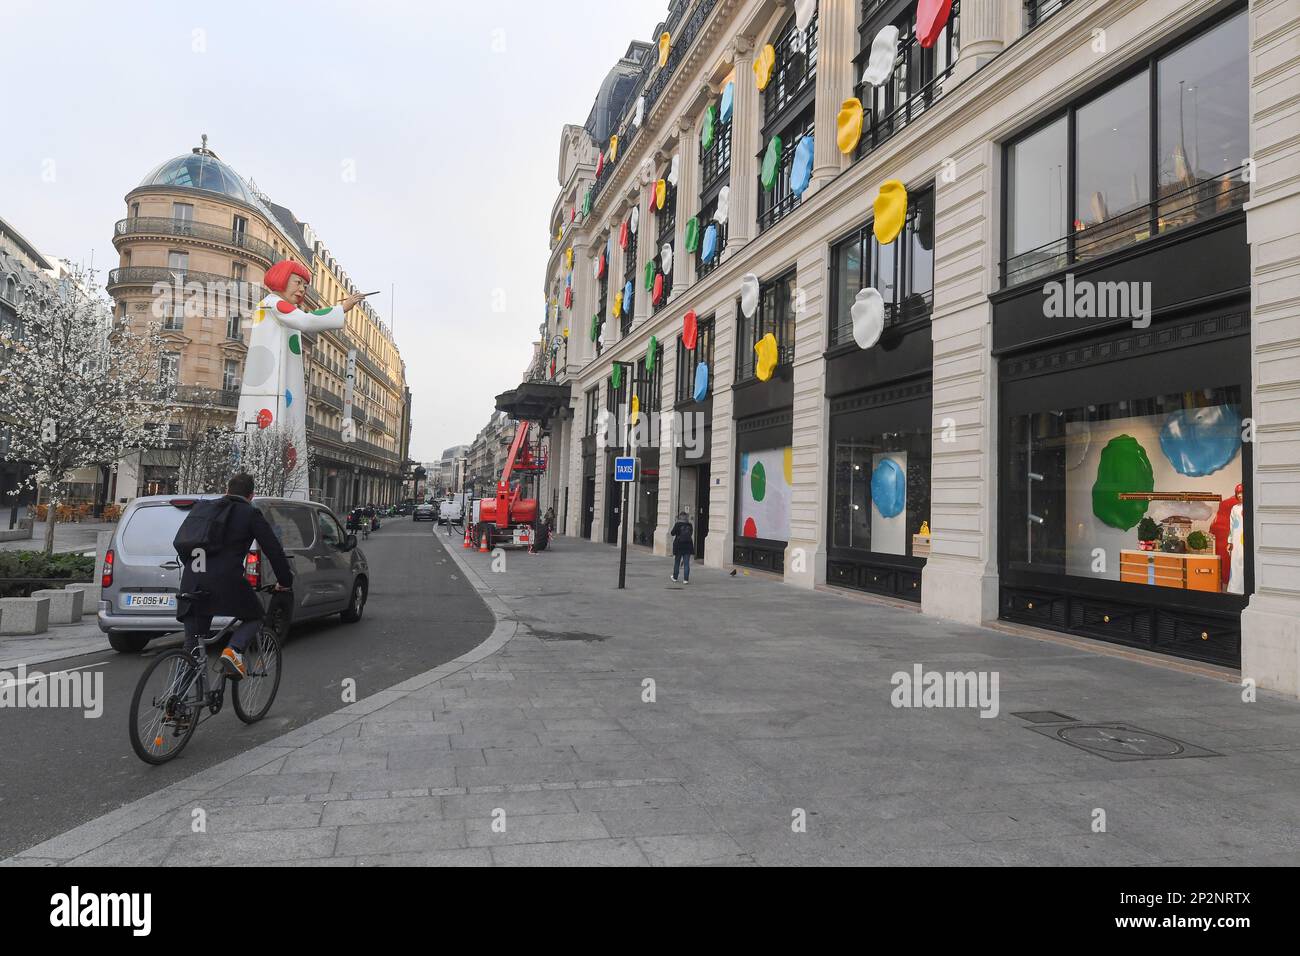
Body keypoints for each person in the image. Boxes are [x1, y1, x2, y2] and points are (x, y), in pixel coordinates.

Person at [175, 473, 294, 679]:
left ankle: (175, 704)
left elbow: (184, 543)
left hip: (192, 580)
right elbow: (273, 550)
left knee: (192, 647)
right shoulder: (250, 514)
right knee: (255, 615)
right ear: (251, 495)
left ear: (226, 491)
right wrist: (285, 581)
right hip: (225, 582)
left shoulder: (203, 509)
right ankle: (234, 650)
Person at [669, 510, 694, 584]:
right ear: (686, 517)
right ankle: (686, 579)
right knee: (686, 563)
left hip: (679, 545)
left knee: (677, 562)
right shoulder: (690, 525)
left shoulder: (678, 524)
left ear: (680, 517)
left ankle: (675, 577)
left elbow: (672, 533)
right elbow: (691, 534)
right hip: (688, 545)